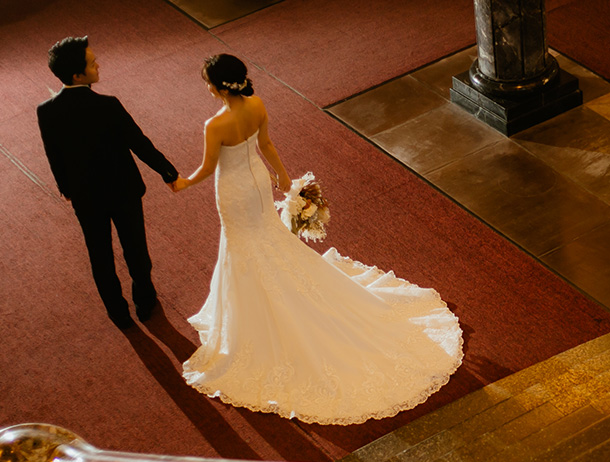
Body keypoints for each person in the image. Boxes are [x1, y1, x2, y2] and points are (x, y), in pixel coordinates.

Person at [172, 54, 463, 425]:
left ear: (216, 86)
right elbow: (267, 145)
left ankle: (248, 319)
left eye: (207, 82)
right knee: (267, 238)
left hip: (232, 191)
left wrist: (183, 182)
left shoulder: (215, 125)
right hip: (258, 183)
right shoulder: (257, 104)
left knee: (243, 244)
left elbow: (209, 168)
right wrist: (283, 178)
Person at [37, 36, 179, 328]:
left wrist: (65, 187)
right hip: (123, 191)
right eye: (92, 63)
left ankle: (118, 312)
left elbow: (53, 154)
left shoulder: (47, 111)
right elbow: (138, 143)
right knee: (136, 252)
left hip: (85, 197)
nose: (98, 65)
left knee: (99, 256)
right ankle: (145, 302)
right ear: (78, 74)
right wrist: (167, 171)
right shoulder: (108, 105)